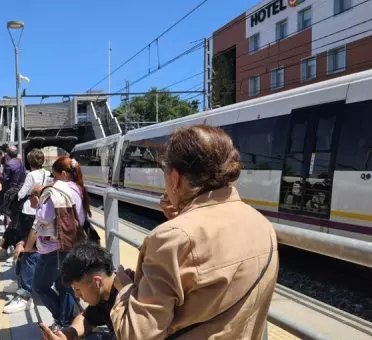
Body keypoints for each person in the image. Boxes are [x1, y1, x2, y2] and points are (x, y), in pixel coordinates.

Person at [109, 125, 279, 339]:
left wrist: (125, 288)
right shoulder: (262, 224)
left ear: (175, 178)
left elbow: (137, 334)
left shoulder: (171, 238)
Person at [30, 156, 91, 329]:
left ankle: (61, 319)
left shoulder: (58, 191)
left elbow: (45, 216)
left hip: (54, 247)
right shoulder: (79, 189)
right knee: (65, 286)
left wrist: (37, 206)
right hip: (72, 242)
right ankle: (66, 323)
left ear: (63, 174)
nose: (53, 180)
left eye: (55, 176)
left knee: (39, 286)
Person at [40, 242, 128, 340]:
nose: (77, 295)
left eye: (78, 289)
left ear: (97, 282)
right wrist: (68, 333)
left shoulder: (128, 300)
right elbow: (86, 318)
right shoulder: (104, 293)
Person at [2, 148, 52, 313]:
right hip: (40, 212)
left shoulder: (31, 175)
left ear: (29, 162)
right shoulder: (46, 173)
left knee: (24, 245)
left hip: (27, 213)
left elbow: (21, 194)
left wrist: (15, 196)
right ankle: (26, 283)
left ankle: (23, 287)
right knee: (37, 248)